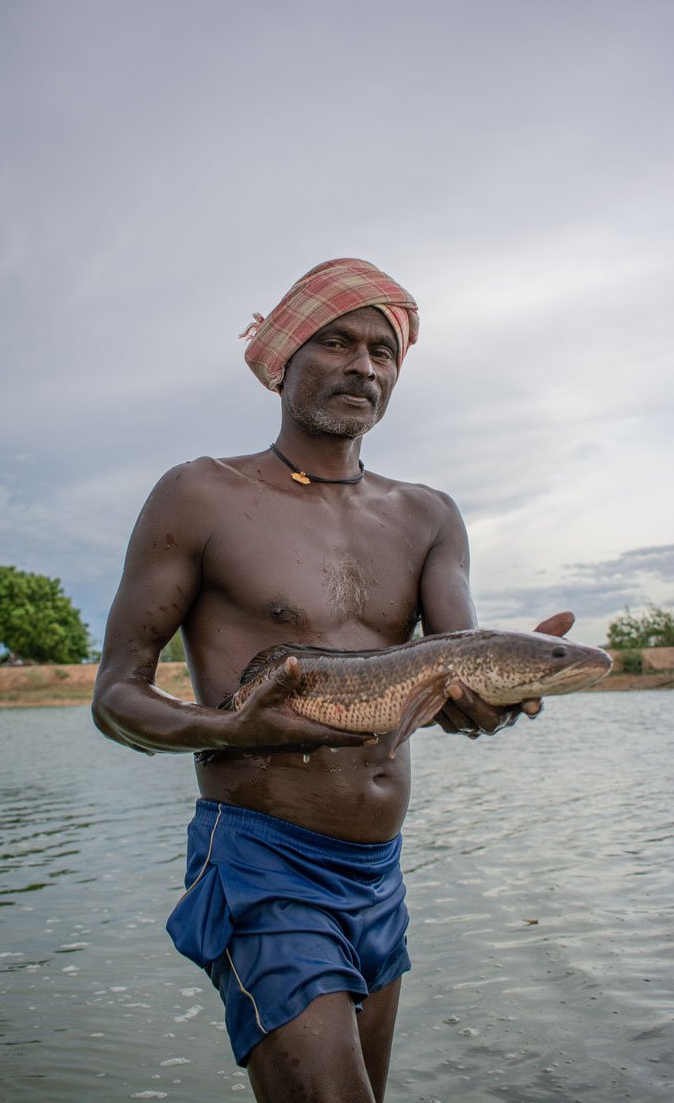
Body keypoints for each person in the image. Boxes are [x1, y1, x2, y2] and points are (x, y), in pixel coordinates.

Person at [92, 257, 572, 1103]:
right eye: (337, 341)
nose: (364, 366)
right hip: (260, 861)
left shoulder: (427, 515)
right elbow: (117, 697)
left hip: (378, 869)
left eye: (383, 351)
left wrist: (502, 691)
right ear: (282, 360)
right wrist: (228, 731)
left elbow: (456, 673)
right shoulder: (199, 495)